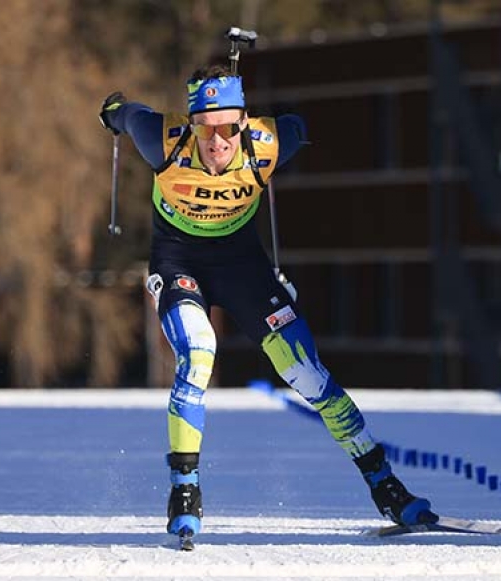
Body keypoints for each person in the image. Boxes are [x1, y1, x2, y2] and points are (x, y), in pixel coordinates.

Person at [99, 64, 435, 540]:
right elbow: (128, 114)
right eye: (205, 128)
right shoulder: (161, 139)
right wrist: (113, 111)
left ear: (244, 123)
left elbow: (298, 127)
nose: (218, 141)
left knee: (308, 373)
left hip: (243, 267)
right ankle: (185, 490)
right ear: (190, 124)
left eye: (229, 127)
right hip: (179, 264)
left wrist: (286, 128)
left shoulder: (266, 143)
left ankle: (385, 486)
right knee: (198, 356)